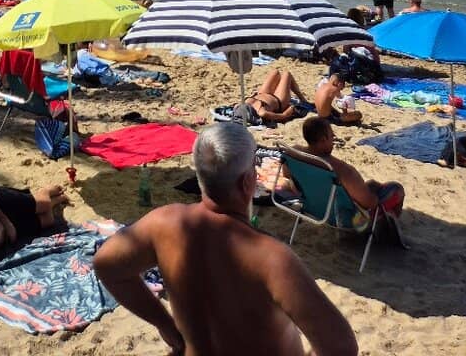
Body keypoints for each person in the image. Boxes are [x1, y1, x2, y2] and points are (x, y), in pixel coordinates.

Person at [93, 122, 358, 356]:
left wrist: (165, 324)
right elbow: (340, 346)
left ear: (199, 177)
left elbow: (107, 265)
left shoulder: (164, 224)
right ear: (247, 183)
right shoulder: (271, 259)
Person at [301, 116, 404, 218]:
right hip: (349, 218)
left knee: (372, 184)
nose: (334, 138)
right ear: (323, 140)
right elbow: (370, 203)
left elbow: (288, 176)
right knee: (396, 188)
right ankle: (384, 225)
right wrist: (373, 195)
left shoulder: (295, 154)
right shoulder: (344, 171)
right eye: (331, 136)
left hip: (315, 206)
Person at [243, 68, 308, 125]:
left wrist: (253, 96)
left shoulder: (240, 106)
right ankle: (302, 99)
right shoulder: (262, 112)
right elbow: (283, 115)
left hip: (262, 94)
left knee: (275, 72)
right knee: (286, 74)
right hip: (278, 100)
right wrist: (290, 109)